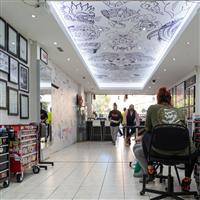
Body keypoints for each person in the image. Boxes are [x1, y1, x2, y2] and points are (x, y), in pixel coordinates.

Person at [134, 87, 197, 190]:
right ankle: (186, 180)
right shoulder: (179, 110)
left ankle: (150, 168)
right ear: (170, 99)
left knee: (146, 134)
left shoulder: (152, 108)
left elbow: (148, 128)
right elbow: (183, 129)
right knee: (194, 150)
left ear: (158, 98)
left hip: (159, 151)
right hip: (181, 151)